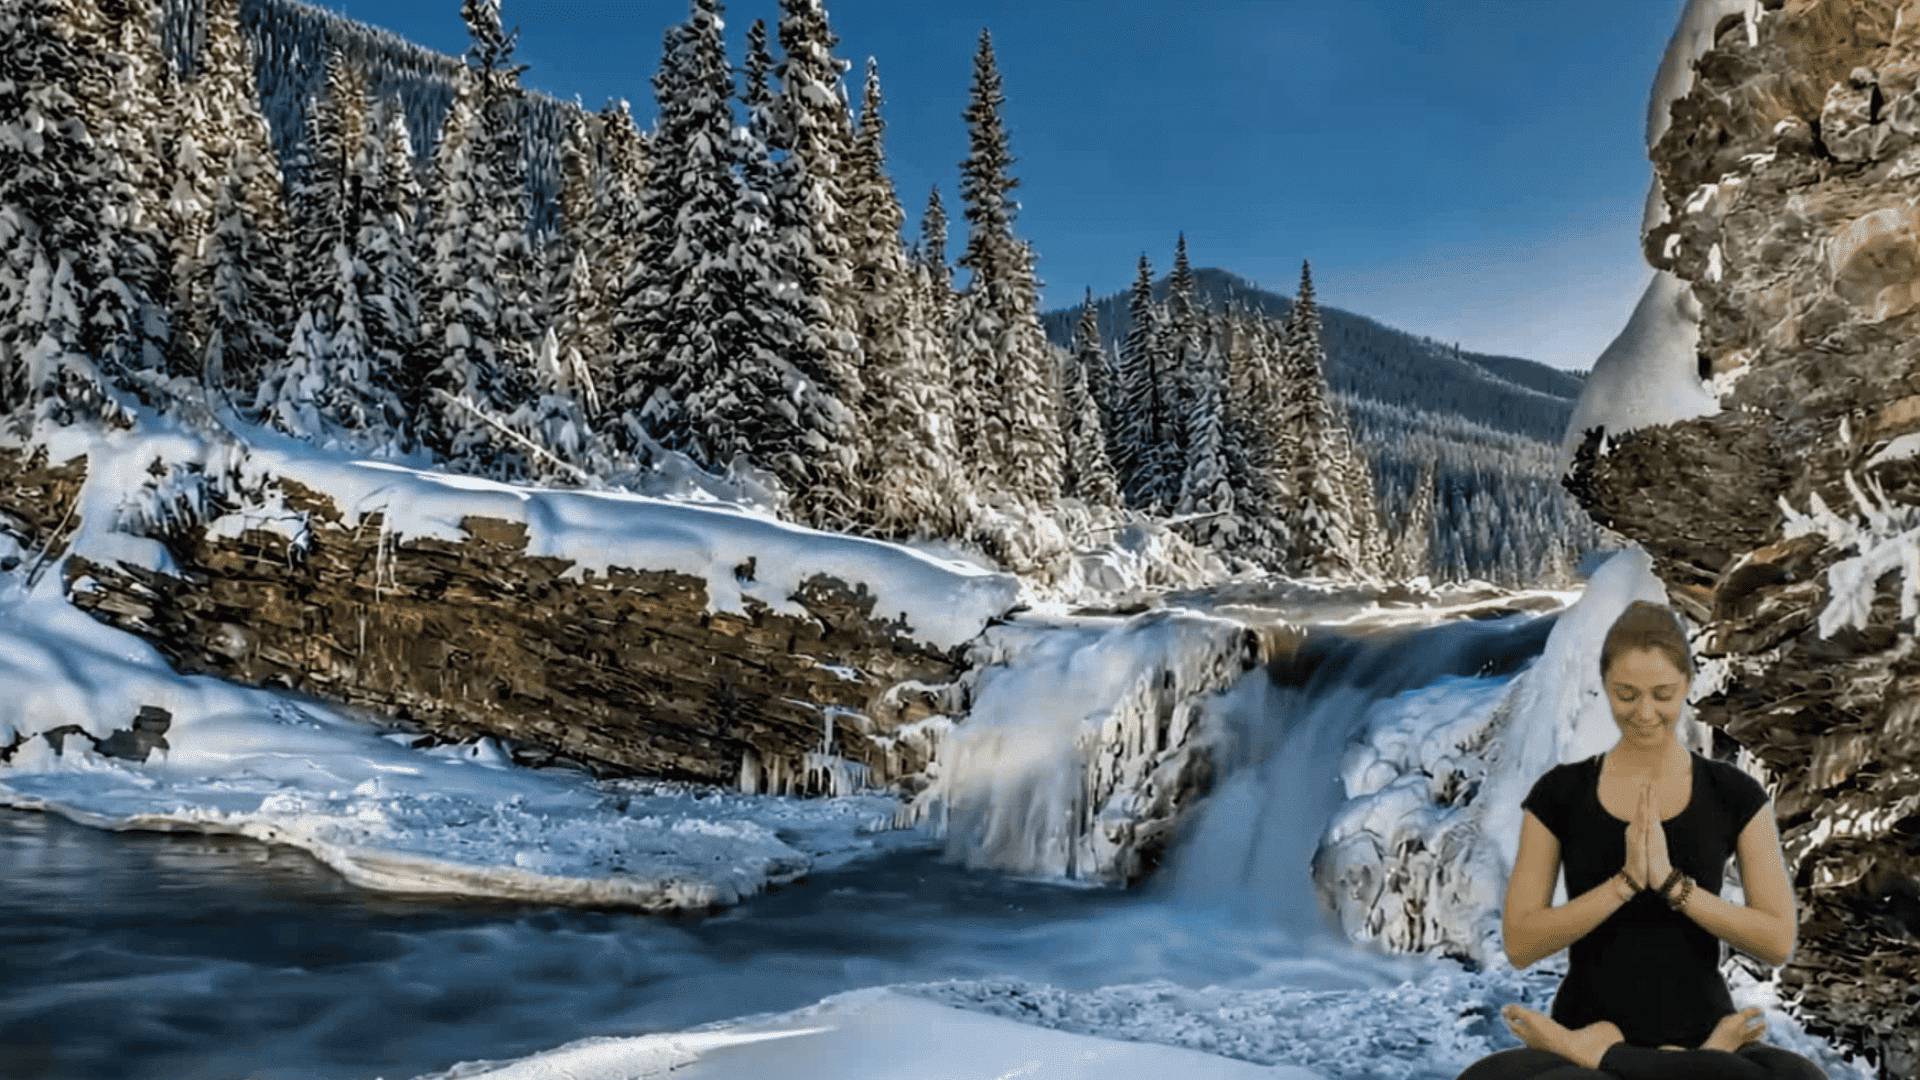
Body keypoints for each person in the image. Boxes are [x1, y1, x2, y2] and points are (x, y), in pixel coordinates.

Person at [1454, 601, 1827, 1079]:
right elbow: (1522, 942)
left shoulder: (1733, 793)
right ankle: (1628, 1058)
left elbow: (1776, 941)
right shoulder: (1561, 792)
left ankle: (1628, 1056)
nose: (1645, 713)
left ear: (1687, 688)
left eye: (1663, 694)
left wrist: (1674, 887)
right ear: (1605, 686)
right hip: (1592, 1030)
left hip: (1700, 1034)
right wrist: (1625, 884)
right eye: (1626, 694)